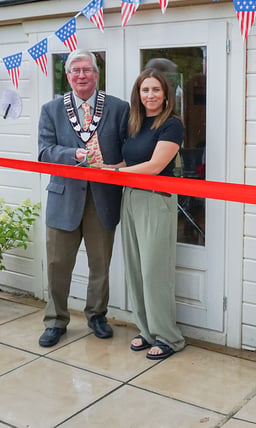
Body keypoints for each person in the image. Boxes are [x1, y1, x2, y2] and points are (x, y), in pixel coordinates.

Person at [37, 50, 129, 347]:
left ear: (96, 73)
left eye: (86, 70)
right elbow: (44, 153)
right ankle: (55, 320)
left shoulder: (119, 108)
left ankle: (97, 315)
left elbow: (127, 151)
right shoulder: (51, 109)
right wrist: (73, 154)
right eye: (75, 70)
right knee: (57, 263)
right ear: (67, 76)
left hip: (102, 198)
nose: (81, 75)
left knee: (100, 264)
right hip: (64, 198)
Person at [102, 68, 185, 360]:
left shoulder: (172, 125)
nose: (150, 95)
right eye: (145, 90)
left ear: (166, 95)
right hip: (131, 197)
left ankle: (169, 337)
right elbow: (130, 159)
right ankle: (148, 331)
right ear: (138, 94)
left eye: (155, 90)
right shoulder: (134, 123)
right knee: (136, 269)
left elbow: (152, 166)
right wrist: (106, 165)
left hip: (156, 199)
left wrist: (115, 173)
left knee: (154, 272)